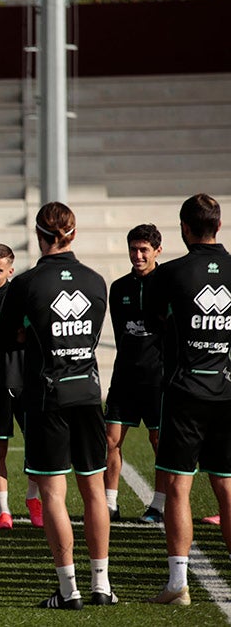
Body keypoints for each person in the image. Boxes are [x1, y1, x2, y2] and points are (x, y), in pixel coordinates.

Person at [0, 202, 116, 610]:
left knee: (53, 493)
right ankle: (101, 585)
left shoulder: (26, 284)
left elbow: (8, 337)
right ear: (73, 233)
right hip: (87, 391)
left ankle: (69, 590)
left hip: (47, 396)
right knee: (95, 491)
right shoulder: (96, 280)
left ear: (38, 234)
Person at [150, 194, 231, 606]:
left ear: (184, 227)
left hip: (185, 392)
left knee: (179, 487)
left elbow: (153, 320)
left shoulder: (172, 273)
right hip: (228, 389)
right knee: (227, 486)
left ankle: (177, 584)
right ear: (217, 225)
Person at [0, 245, 43, 530]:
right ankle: (4, 512)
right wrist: (7, 337)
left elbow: (32, 334)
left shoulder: (22, 295)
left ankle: (32, 499)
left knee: (38, 447)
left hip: (27, 383)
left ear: (10, 271)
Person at [105, 224, 166, 524]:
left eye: (144, 250)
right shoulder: (118, 288)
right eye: (133, 249)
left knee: (159, 443)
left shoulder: (168, 284)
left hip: (158, 378)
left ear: (157, 250)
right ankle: (109, 505)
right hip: (124, 377)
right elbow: (120, 333)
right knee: (110, 440)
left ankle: (159, 505)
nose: (138, 255)